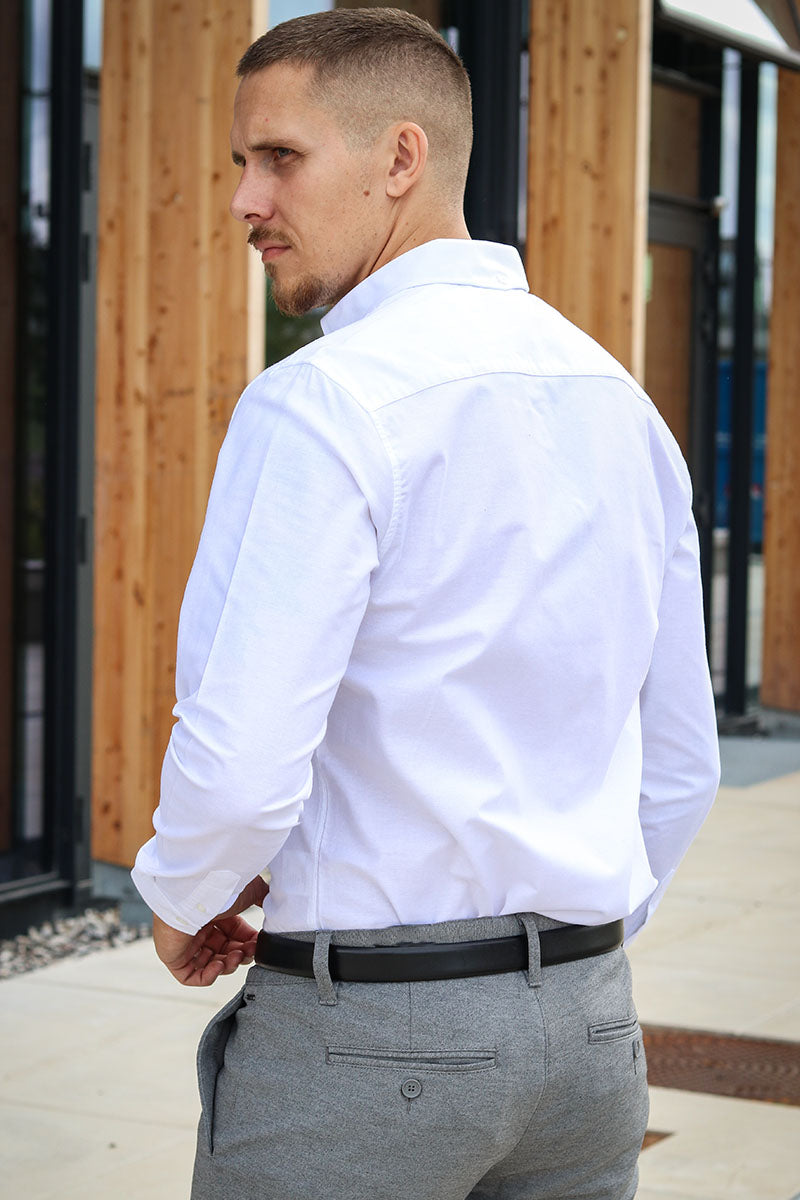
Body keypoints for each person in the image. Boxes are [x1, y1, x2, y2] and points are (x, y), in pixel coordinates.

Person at [131, 8, 720, 1199]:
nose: (244, 199)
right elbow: (678, 768)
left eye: (279, 157)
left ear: (400, 157)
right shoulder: (620, 405)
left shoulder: (324, 403)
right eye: (241, 162)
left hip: (366, 1044)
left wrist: (181, 897)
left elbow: (240, 763)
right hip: (589, 1036)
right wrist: (549, 965)